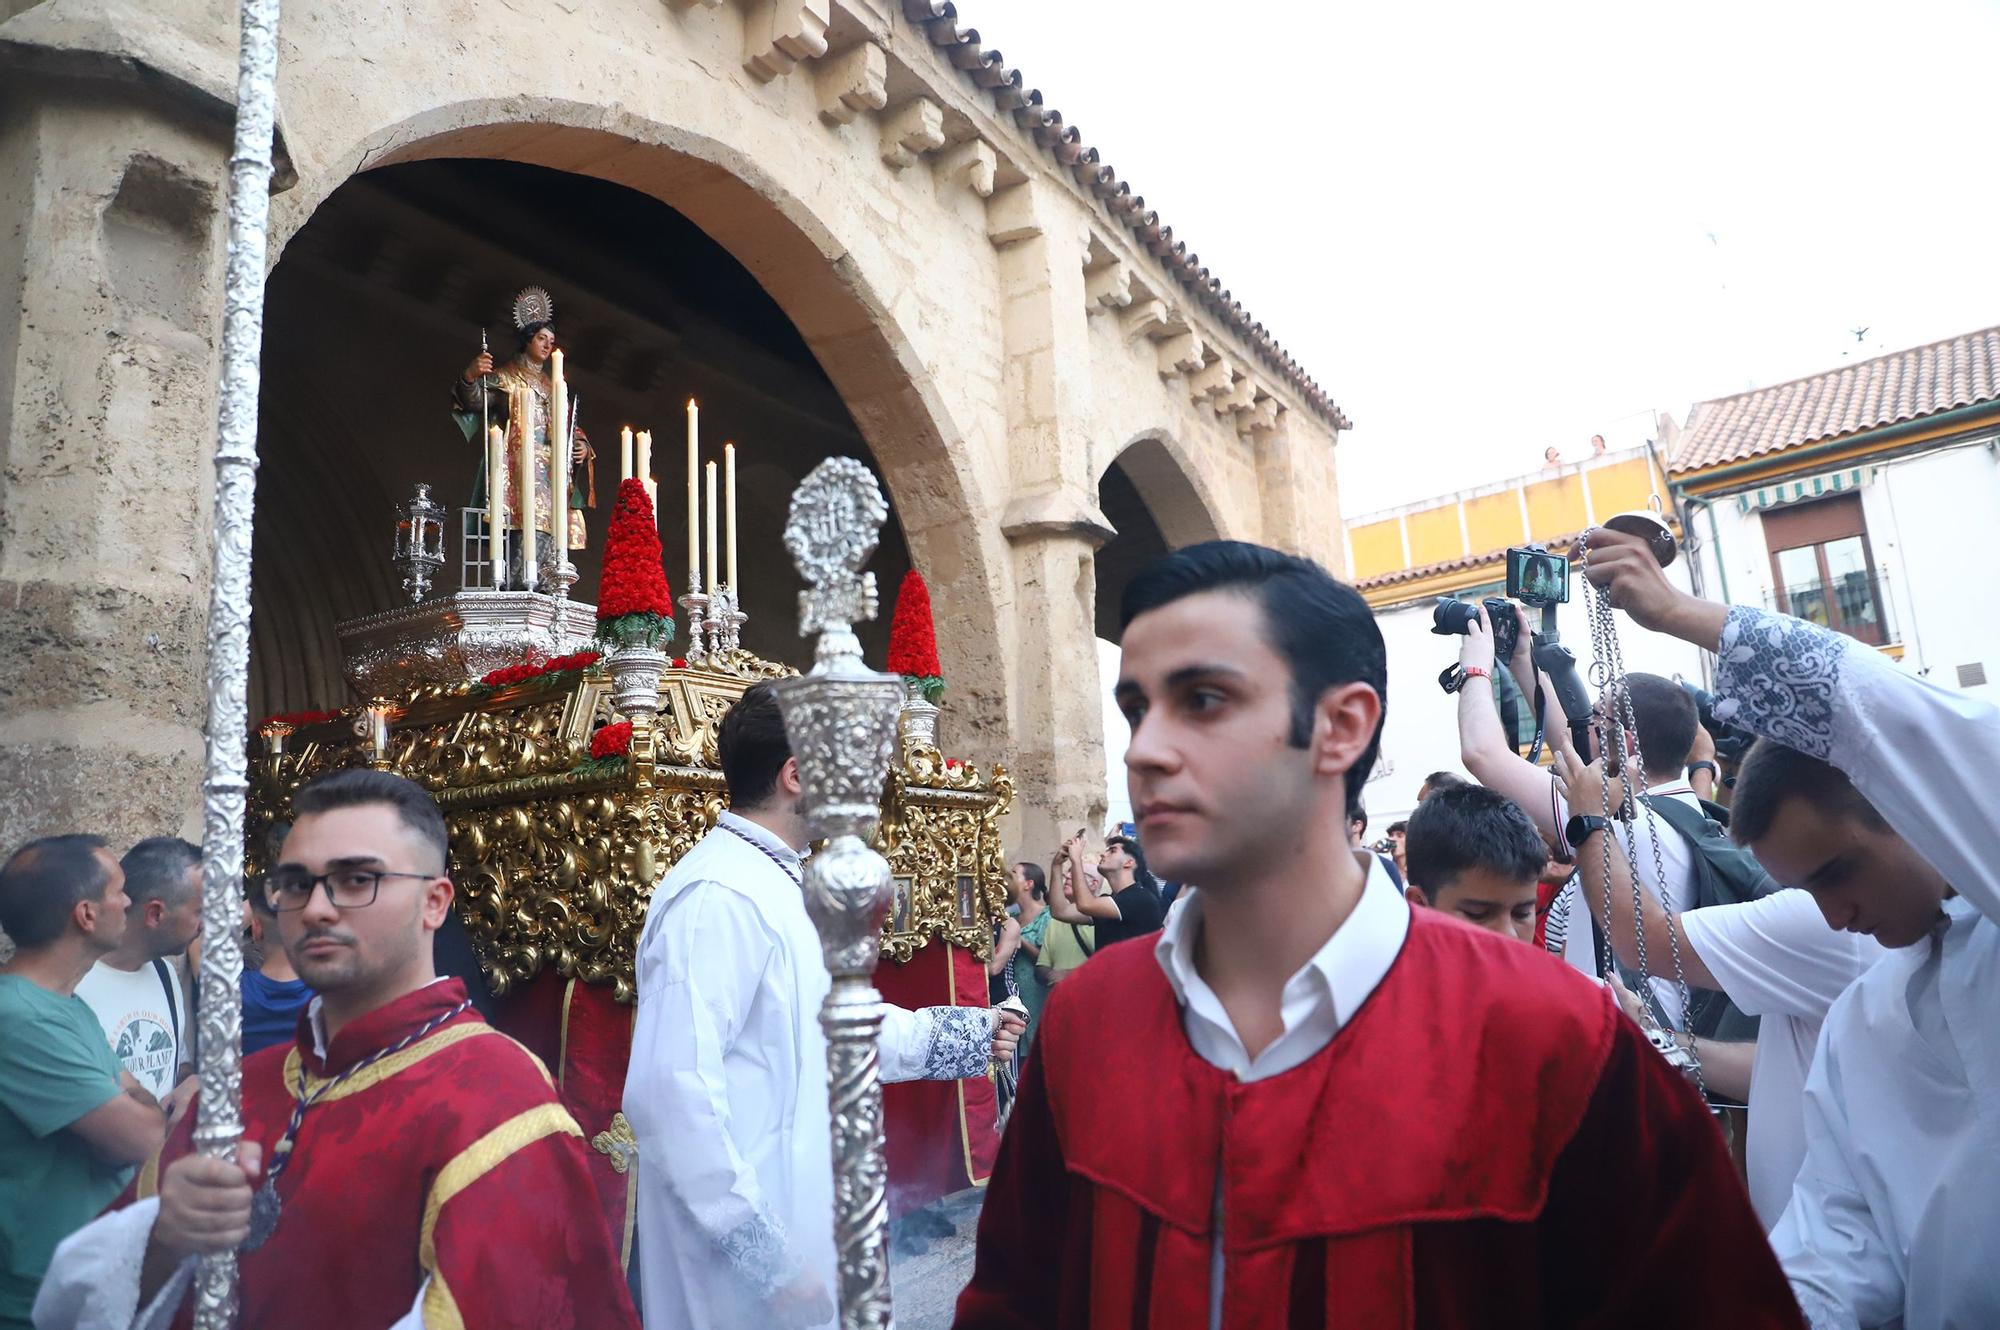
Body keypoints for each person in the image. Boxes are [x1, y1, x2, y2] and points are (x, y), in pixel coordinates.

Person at [956, 540, 1799, 1329]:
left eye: (1203, 700)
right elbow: (1013, 1299)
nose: (1145, 751)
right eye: (1137, 708)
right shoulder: (1091, 1020)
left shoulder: (1554, 1036)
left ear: (1345, 726)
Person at [1578, 521, 2000, 1329]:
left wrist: (1680, 614)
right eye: (1807, 890)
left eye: (1839, 870)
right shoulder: (1861, 1028)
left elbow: (1905, 725)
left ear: (1914, 807)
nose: (1836, 916)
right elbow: (1839, 1249)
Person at [33, 771, 639, 1330]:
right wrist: (165, 1235)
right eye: (295, 884)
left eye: (357, 880)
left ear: (435, 902)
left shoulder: (498, 1098)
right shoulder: (242, 1088)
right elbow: (76, 1301)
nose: (316, 908)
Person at [624, 682, 1023, 1330]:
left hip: (808, 1237)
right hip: (746, 1277)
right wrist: (769, 1263)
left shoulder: (780, 881)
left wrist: (974, 1035)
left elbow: (843, 1029)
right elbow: (670, 1096)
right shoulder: (715, 897)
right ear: (798, 774)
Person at [1553, 738, 1884, 1228]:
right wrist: (1664, 1044)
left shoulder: (1827, 924)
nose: (1836, 909)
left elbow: (1641, 938)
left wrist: (1590, 824)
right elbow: (1775, 1066)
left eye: (1817, 874)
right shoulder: (1848, 921)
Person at [1456, 601, 1709, 1029]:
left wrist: (1476, 670)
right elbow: (1572, 746)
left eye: (1596, 719)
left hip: (1622, 1049)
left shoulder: (1619, 822)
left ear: (1625, 743)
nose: (1585, 726)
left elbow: (1482, 753)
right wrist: (1523, 663)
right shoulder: (1685, 810)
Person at [0, 835, 171, 1330]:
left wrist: (133, 1101)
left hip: (87, 1289)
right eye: (119, 890)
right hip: (35, 1304)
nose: (129, 902)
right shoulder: (21, 1017)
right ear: (87, 914)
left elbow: (136, 1102)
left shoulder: (67, 1005)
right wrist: (138, 1104)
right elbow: (142, 1138)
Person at [453, 285, 593, 585]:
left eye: (551, 341)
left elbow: (571, 427)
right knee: (518, 535)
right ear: (527, 338)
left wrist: (581, 447)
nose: (547, 345)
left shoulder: (554, 386)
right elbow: (476, 401)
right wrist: (470, 375)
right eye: (542, 338)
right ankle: (517, 588)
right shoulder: (506, 377)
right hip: (516, 472)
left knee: (547, 539)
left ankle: (541, 590)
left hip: (551, 477)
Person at [74, 838, 200, 1105]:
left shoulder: (165, 974)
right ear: (155, 914)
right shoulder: (71, 983)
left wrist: (189, 1085)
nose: (206, 925)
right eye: (200, 912)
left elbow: (177, 1064)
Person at [1401, 784, 1547, 943]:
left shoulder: (1549, 967)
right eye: (1477, 914)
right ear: (1419, 905)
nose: (1509, 935)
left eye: (1522, 913)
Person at [1044, 832, 1164, 949]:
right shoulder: (1109, 901)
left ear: (1129, 863)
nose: (1103, 855)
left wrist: (1076, 860)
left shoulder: (1140, 898)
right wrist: (1057, 865)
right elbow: (1060, 911)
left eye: (1112, 851)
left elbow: (1085, 904)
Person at [986, 863, 1051, 1062]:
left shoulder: (1017, 922)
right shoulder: (1010, 917)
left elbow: (996, 966)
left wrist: (1018, 939)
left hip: (1020, 990)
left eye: (1015, 873)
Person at [238, 894, 313, 1057]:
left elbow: (203, 936)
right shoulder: (331, 995)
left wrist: (260, 900)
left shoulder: (231, 992)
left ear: (256, 929)